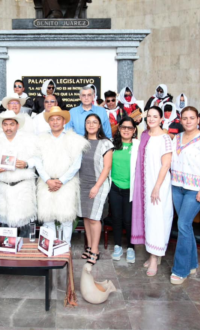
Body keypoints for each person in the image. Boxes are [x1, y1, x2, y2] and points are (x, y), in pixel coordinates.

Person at [169, 107, 200, 285]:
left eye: (192, 118)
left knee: (182, 225)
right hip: (177, 186)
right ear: (180, 120)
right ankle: (192, 263)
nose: (188, 121)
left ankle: (180, 270)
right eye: (185, 118)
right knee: (186, 226)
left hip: (196, 189)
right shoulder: (177, 138)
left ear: (198, 119)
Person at [35, 106, 88, 243]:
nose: (55, 122)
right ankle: (50, 246)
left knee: (66, 218)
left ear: (64, 121)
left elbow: (76, 164)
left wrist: (61, 181)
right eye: (52, 119)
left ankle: (65, 248)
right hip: (46, 184)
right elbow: (37, 161)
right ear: (48, 122)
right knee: (48, 217)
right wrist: (48, 180)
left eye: (58, 119)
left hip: (67, 184)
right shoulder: (41, 139)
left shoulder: (74, 139)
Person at [131, 106, 174, 277]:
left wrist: (157, 187)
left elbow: (166, 164)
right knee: (149, 218)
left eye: (155, 116)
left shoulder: (165, 139)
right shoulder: (144, 135)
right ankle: (151, 254)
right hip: (146, 182)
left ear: (161, 119)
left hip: (159, 184)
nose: (151, 119)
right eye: (149, 116)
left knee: (157, 219)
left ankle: (155, 260)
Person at [0, 110, 41, 237]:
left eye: (11, 124)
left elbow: (38, 158)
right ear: (2, 126)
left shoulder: (30, 139)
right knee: (5, 231)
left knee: (26, 229)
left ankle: (26, 256)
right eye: (5, 124)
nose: (8, 127)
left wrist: (26, 163)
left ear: (17, 125)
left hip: (23, 187)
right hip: (3, 188)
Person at [78, 114, 114, 266]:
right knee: (86, 216)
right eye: (88, 122)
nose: (91, 125)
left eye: (94, 122)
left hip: (98, 184)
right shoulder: (81, 142)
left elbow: (107, 168)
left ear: (99, 125)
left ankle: (95, 250)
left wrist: (97, 187)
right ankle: (89, 246)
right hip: (82, 183)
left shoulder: (106, 143)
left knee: (94, 218)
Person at [109, 116, 139, 264]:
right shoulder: (111, 145)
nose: (126, 130)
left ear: (134, 130)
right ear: (119, 129)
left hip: (130, 189)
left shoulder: (138, 146)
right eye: (123, 127)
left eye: (130, 128)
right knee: (116, 218)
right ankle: (117, 246)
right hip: (114, 187)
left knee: (128, 220)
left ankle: (131, 247)